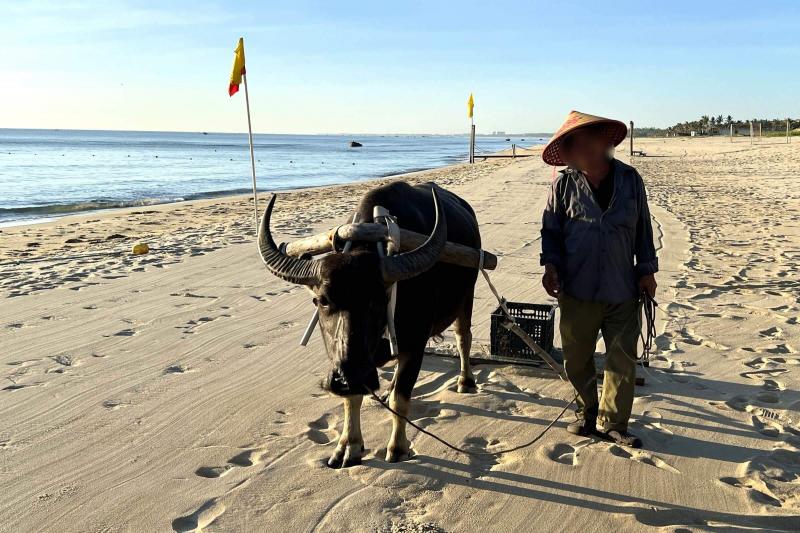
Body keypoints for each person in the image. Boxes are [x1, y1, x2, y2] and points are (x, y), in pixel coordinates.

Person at [540, 110, 658, 448]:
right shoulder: (563, 185)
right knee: (577, 357)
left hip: (622, 287)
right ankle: (586, 412)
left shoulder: (630, 180)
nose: (585, 152)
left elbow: (643, 229)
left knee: (621, 358)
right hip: (576, 289)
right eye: (576, 147)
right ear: (570, 154)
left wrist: (647, 270)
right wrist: (550, 267)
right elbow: (551, 232)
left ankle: (614, 423)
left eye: (590, 143)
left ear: (605, 143)